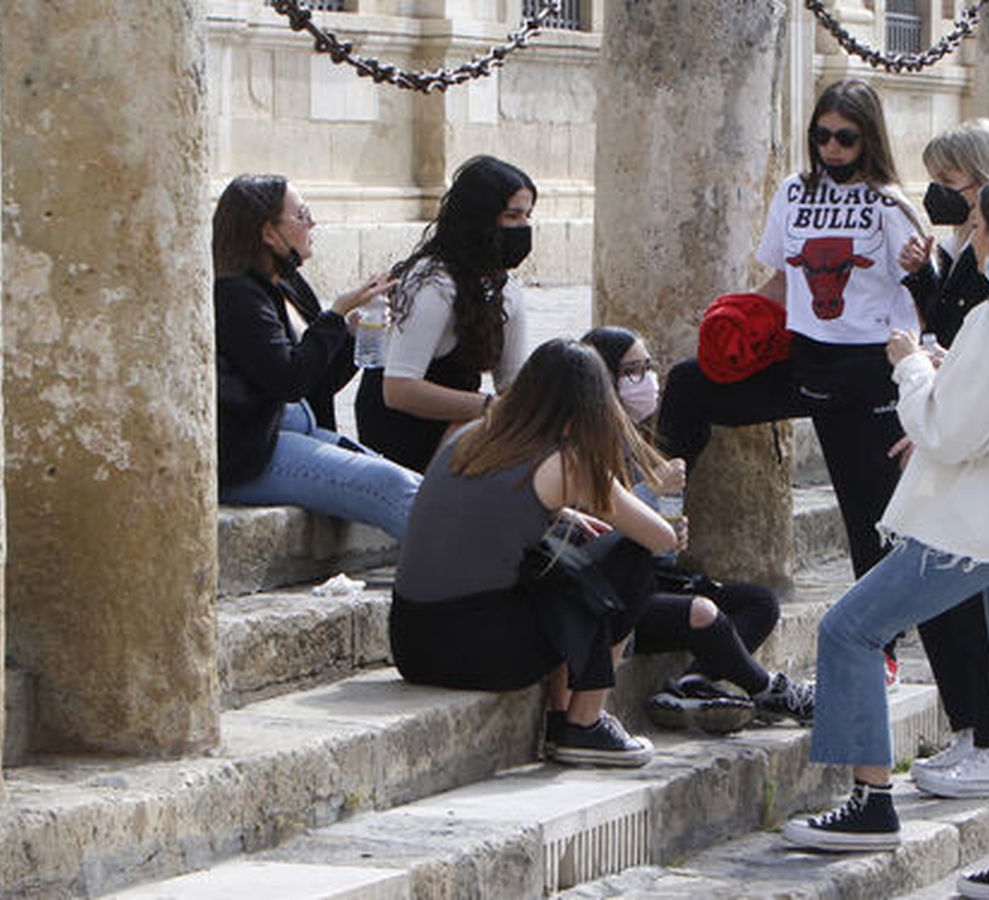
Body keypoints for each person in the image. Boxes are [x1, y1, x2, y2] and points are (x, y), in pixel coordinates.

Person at [782, 174, 989, 900]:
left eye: (980, 228)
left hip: (983, 527)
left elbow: (946, 429)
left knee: (849, 630)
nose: (973, 240)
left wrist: (909, 367)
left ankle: (871, 802)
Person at [656, 79, 922, 682]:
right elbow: (781, 281)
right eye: (821, 135)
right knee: (690, 383)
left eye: (845, 138)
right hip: (806, 360)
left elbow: (915, 294)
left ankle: (880, 645)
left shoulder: (891, 206)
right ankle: (660, 510)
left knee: (868, 513)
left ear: (868, 138)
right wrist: (735, 321)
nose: (831, 147)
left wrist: (919, 374)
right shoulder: (794, 193)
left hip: (867, 373)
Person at [390, 338, 676, 767]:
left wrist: (562, 514)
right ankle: (584, 722)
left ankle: (564, 714)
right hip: (481, 654)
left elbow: (485, 510)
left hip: (412, 643)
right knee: (630, 556)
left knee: (559, 551)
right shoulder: (569, 463)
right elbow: (660, 538)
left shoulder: (471, 432)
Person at [581, 327, 814, 732]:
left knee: (758, 603)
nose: (646, 381)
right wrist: (654, 494)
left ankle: (693, 683)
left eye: (648, 368)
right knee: (703, 614)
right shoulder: (582, 448)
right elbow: (606, 529)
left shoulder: (635, 442)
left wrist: (665, 510)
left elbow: (665, 551)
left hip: (648, 578)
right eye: (631, 371)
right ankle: (771, 691)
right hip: (613, 594)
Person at [891, 119, 989, 799]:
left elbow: (984, 351)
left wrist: (928, 381)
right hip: (948, 430)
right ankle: (971, 728)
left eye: (949, 181)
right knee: (948, 606)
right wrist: (923, 279)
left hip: (973, 450)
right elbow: (949, 323)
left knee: (970, 605)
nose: (939, 193)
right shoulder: (966, 247)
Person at [214, 174, 420, 537]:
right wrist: (335, 317)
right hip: (250, 453)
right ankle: (463, 577)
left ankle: (499, 554)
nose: (313, 224)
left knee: (411, 481)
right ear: (268, 232)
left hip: (294, 427)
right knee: (386, 485)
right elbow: (288, 380)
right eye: (302, 215)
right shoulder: (237, 295)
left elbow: (316, 382)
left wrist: (352, 332)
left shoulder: (288, 285)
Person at [355, 155, 534, 472]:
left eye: (527, 216)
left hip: (462, 418)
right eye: (512, 216)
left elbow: (511, 382)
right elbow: (398, 389)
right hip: (404, 426)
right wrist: (491, 408)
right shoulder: (433, 282)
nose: (523, 227)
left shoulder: (505, 290)